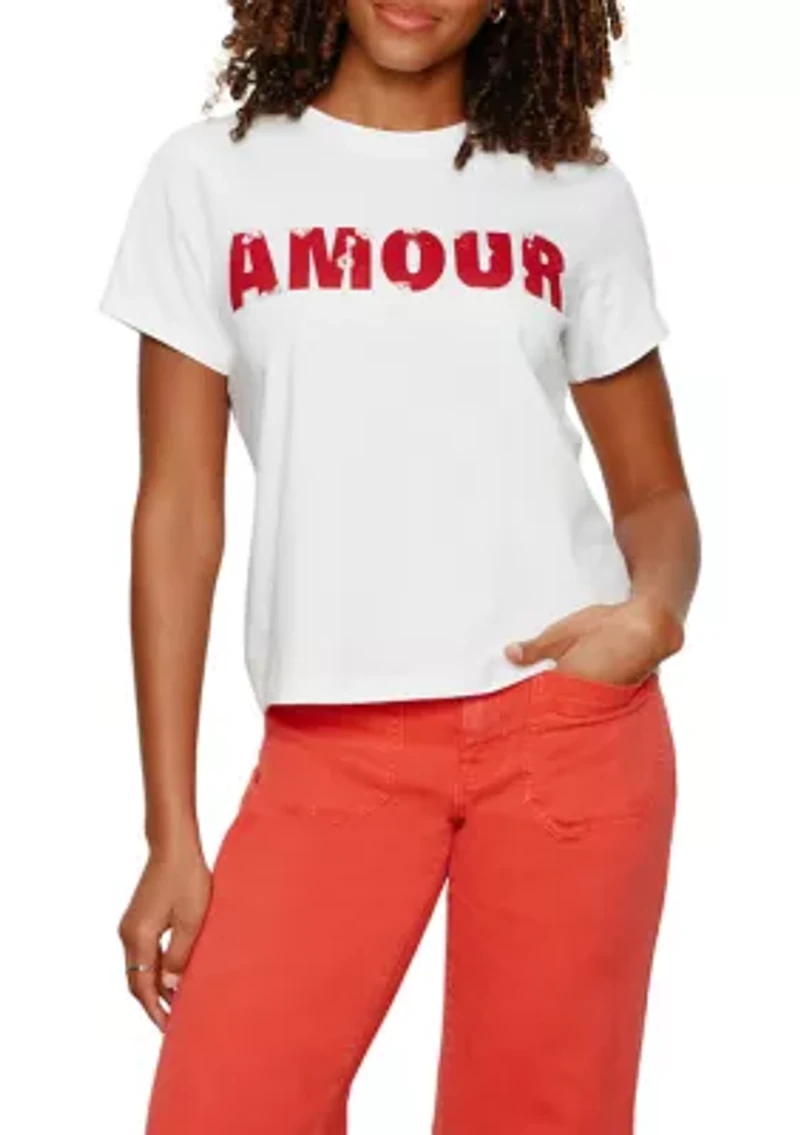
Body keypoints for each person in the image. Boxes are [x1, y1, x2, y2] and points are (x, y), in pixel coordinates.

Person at [98, 0, 701, 1131]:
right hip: (333, 745)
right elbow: (177, 513)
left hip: (566, 729)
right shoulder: (209, 178)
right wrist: (169, 828)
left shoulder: (574, 193)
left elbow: (656, 494)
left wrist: (650, 614)